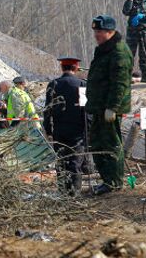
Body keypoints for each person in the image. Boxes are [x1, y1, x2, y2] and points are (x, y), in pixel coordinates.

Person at [86, 15, 133, 195]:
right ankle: (107, 180)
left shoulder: (118, 52)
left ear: (110, 31)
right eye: (96, 31)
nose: (96, 35)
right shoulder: (105, 49)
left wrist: (112, 107)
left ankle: (113, 182)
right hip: (99, 107)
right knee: (97, 143)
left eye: (100, 32)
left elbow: (119, 83)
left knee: (111, 143)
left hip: (108, 108)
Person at [43, 57, 87, 195]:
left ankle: (63, 192)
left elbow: (47, 109)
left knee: (61, 161)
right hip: (77, 130)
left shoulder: (54, 84)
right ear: (75, 68)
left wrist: (48, 129)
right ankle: (74, 193)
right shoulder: (81, 84)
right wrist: (88, 130)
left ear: (62, 68)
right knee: (75, 162)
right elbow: (86, 110)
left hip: (59, 129)